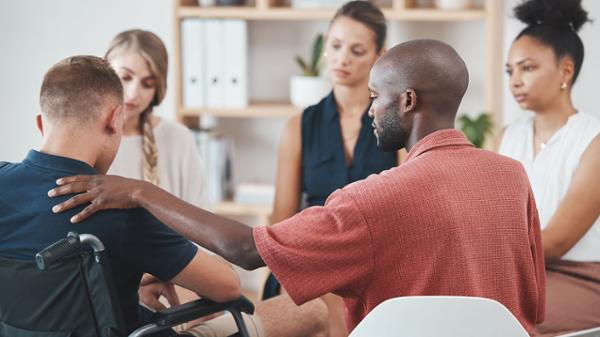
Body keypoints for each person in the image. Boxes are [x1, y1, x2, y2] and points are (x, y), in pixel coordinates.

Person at [50, 40, 546, 333]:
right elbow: (534, 306)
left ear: (408, 102)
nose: (370, 108)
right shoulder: (513, 177)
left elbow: (246, 251)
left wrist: (139, 190)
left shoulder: (373, 199)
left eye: (376, 97)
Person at [0, 56, 241, 336]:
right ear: (114, 120)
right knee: (257, 317)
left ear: (41, 123)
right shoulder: (116, 210)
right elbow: (228, 286)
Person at [270, 3, 397, 335]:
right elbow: (282, 218)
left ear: (378, 55)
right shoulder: (299, 126)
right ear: (325, 44)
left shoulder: (397, 125)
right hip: (313, 253)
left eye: (357, 50)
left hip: (376, 257)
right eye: (336, 45)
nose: (342, 59)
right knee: (314, 299)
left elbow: (410, 208)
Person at [499, 0, 600, 334]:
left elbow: (555, 242)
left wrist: (484, 250)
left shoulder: (593, 141)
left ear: (565, 72)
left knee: (505, 321)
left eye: (527, 68)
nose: (515, 80)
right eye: (510, 70)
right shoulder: (505, 137)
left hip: (581, 277)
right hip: (516, 274)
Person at [106, 29, 204, 206]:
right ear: (104, 74)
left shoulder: (178, 138)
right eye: (125, 77)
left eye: (147, 84)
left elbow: (202, 215)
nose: (133, 93)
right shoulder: (85, 138)